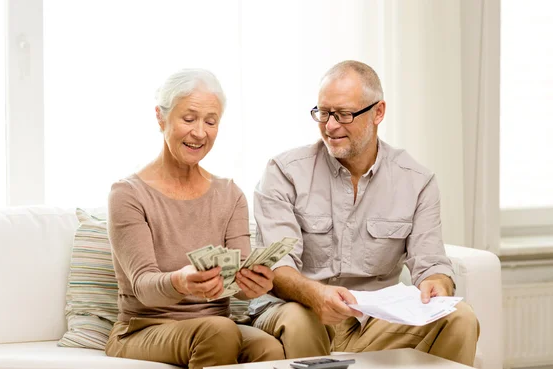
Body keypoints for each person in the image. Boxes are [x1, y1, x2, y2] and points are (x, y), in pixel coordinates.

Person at [249, 60, 480, 366]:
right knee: (299, 320)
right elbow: (278, 269)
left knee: (460, 318)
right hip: (299, 312)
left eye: (343, 114)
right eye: (323, 112)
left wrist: (437, 283)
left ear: (378, 112)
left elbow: (431, 264)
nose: (330, 126)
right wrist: (317, 296)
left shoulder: (417, 181)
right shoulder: (284, 172)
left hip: (372, 323)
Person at [105, 69, 285, 369]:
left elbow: (237, 283)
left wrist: (255, 284)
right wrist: (182, 282)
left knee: (268, 348)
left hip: (214, 325)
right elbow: (143, 286)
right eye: (188, 119)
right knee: (221, 330)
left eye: (210, 121)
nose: (200, 132)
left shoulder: (230, 194)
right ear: (161, 118)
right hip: (144, 328)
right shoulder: (128, 194)